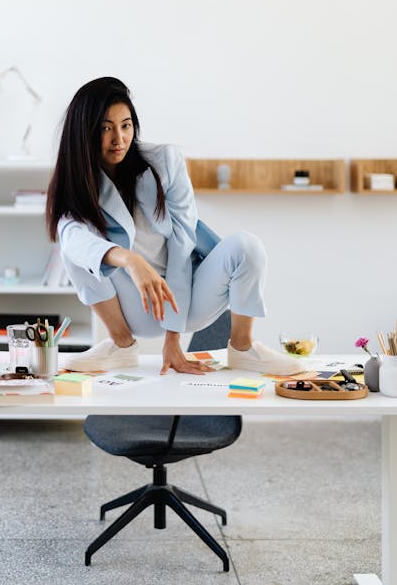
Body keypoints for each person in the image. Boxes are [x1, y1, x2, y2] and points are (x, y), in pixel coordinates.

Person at [46, 77, 302, 376]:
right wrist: (131, 260)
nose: (119, 139)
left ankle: (243, 348)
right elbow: (74, 238)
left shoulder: (164, 160)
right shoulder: (75, 185)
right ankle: (121, 346)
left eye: (126, 125)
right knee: (73, 252)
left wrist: (173, 338)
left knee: (247, 245)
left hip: (190, 297)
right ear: (84, 132)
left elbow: (184, 237)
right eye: (105, 128)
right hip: (136, 306)